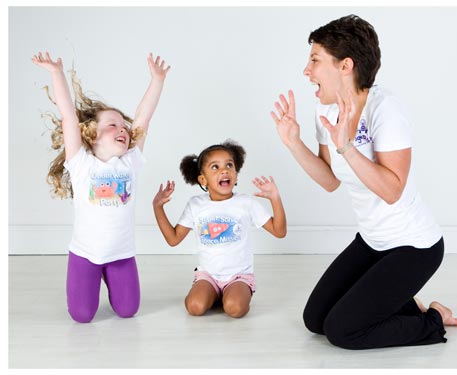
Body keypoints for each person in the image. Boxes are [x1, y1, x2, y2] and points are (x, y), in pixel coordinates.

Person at [270, 15, 457, 349]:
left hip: (414, 247)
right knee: (315, 320)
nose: (307, 70)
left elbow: (392, 189)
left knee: (343, 331)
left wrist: (346, 146)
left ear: (345, 65)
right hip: (373, 242)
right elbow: (331, 181)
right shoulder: (326, 111)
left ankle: (431, 319)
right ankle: (403, 302)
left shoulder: (386, 109)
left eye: (315, 60)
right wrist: (293, 143)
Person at [32, 51, 170, 323]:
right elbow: (69, 117)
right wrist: (57, 74)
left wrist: (157, 81)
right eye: (112, 125)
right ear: (92, 136)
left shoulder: (130, 162)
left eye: (123, 125)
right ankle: (94, 274)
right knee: (82, 316)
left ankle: (111, 274)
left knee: (128, 310)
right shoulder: (82, 164)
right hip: (86, 255)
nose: (123, 129)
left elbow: (142, 120)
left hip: (121, 254)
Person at [153, 140, 286, 318]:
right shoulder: (196, 204)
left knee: (235, 309)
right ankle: (214, 293)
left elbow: (279, 231)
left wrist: (275, 199)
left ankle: (234, 294)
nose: (224, 170)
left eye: (229, 165)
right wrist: (157, 207)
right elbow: (173, 239)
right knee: (194, 307)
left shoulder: (245, 203)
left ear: (236, 175)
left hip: (238, 276)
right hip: (208, 276)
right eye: (215, 167)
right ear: (203, 179)